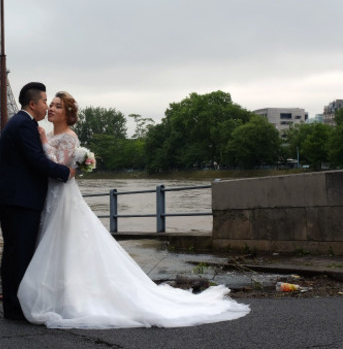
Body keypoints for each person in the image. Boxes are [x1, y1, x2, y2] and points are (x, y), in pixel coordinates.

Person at [18, 91, 250, 328]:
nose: (51, 109)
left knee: (67, 244)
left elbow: (57, 166)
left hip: (64, 195)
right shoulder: (47, 134)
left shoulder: (68, 137)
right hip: (50, 195)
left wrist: (45, 142)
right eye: (51, 105)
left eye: (57, 106)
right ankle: (58, 295)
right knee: (56, 244)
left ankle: (71, 298)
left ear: (68, 113)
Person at [0, 82, 74, 321]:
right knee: (19, 254)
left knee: (15, 254)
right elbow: (36, 160)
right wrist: (64, 173)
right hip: (19, 200)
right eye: (46, 101)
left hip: (15, 198)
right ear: (33, 103)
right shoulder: (24, 126)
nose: (47, 105)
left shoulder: (20, 124)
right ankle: (17, 309)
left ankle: (16, 306)